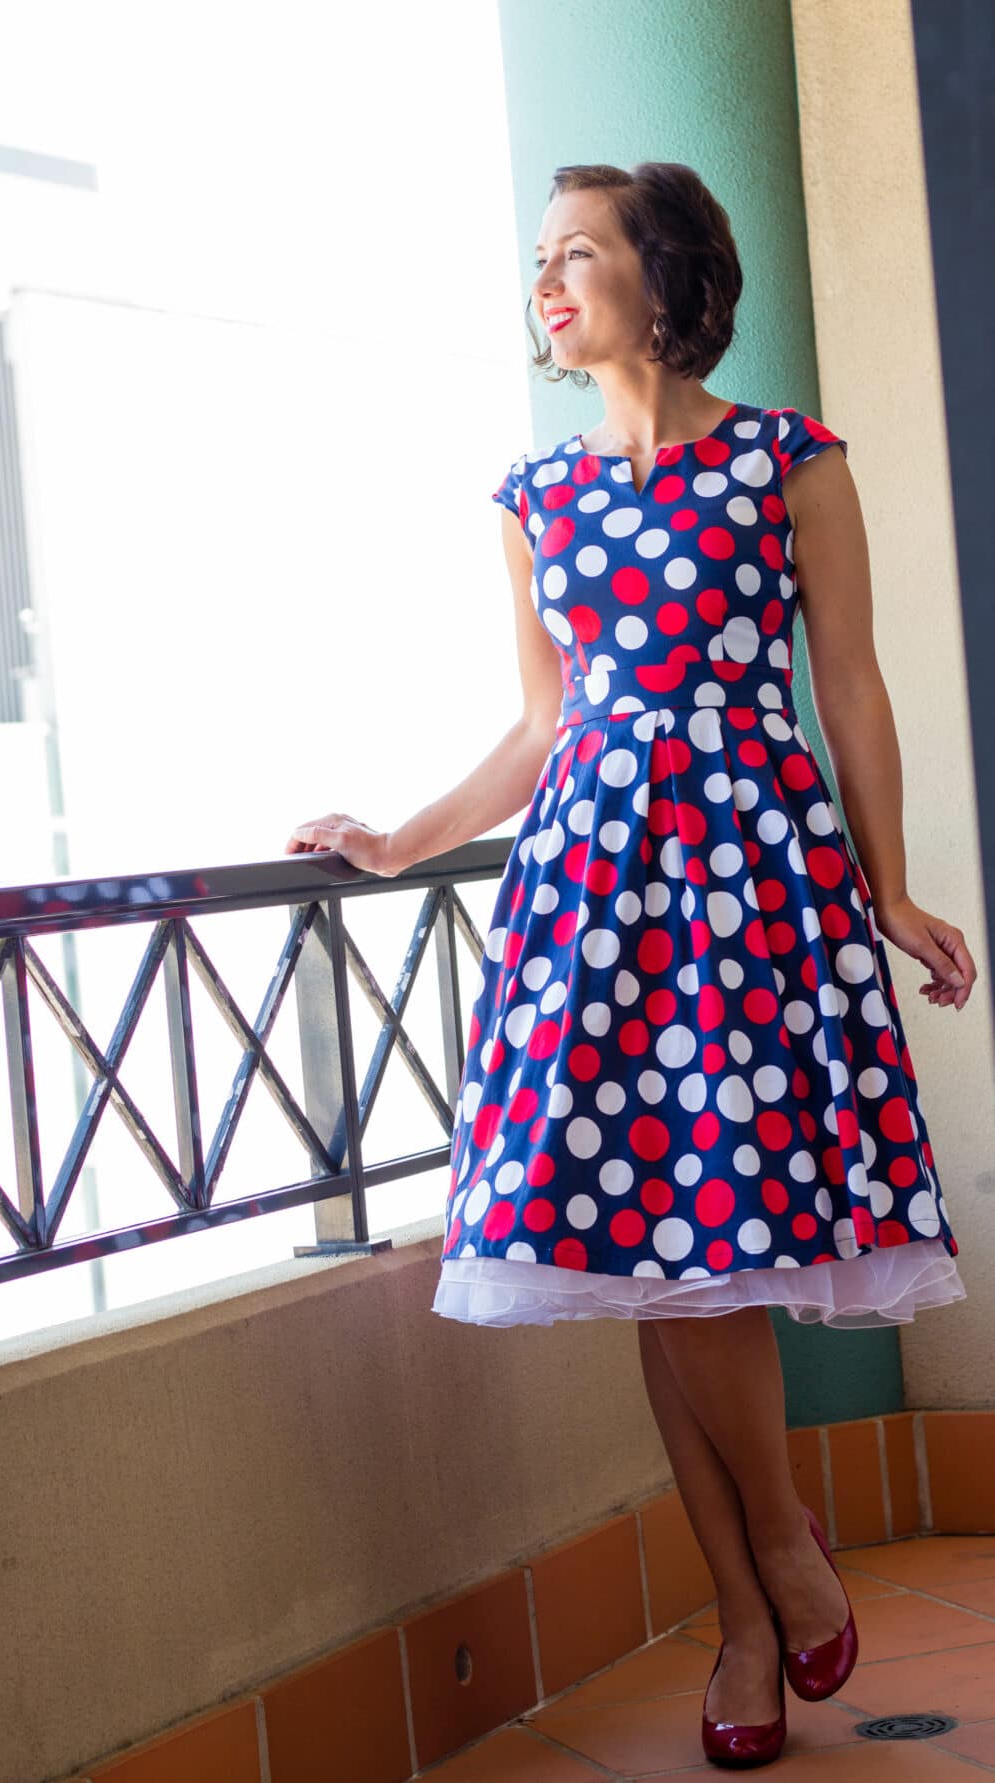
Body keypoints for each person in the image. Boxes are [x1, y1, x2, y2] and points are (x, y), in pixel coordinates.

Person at [285, 161, 977, 1765]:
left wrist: (892, 887)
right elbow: (542, 727)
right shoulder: (537, 494)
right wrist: (397, 838)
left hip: (751, 877)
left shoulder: (788, 461)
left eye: (576, 253)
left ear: (658, 277)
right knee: (656, 1265)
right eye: (538, 259)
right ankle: (764, 1595)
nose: (545, 281)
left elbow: (852, 691)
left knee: (698, 1260)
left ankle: (764, 1598)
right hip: (590, 894)